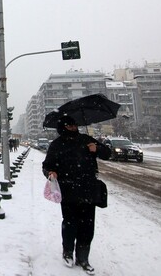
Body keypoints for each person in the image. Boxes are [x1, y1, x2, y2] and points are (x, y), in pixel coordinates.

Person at [42, 115, 111, 275]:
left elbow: (107, 153)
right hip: (68, 190)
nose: (73, 127)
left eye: (74, 125)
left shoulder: (86, 139)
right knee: (70, 223)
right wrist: (50, 172)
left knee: (87, 225)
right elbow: (47, 165)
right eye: (70, 125)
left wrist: (97, 149)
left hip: (88, 189)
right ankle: (67, 252)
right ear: (63, 127)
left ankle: (83, 257)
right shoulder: (57, 145)